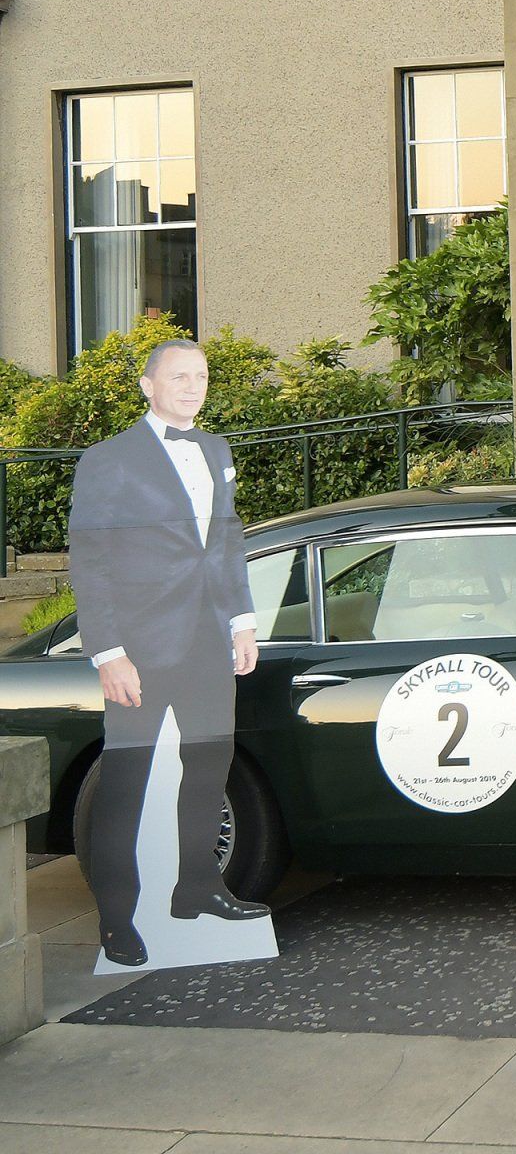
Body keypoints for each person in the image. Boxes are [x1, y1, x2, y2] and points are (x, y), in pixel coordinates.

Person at [68, 339, 266, 967]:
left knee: (209, 768)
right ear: (148, 386)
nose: (192, 386)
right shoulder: (108, 459)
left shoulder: (215, 448)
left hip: (210, 638)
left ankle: (197, 888)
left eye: (201, 377)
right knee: (126, 780)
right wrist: (108, 651)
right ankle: (116, 919)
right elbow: (90, 561)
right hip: (140, 647)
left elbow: (225, 539)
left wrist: (242, 621)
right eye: (178, 376)